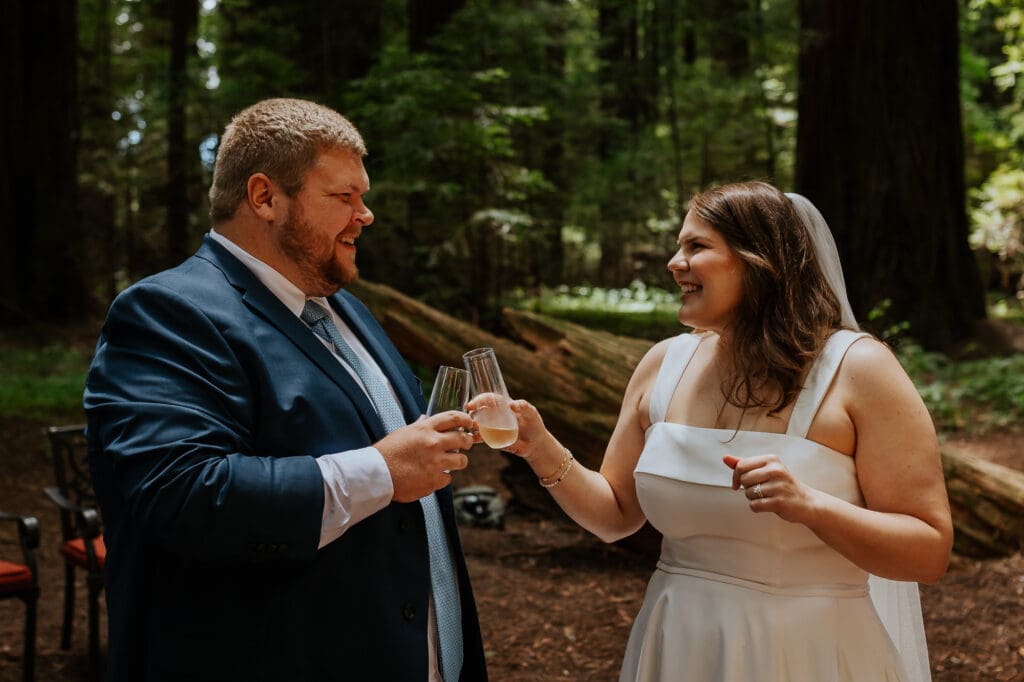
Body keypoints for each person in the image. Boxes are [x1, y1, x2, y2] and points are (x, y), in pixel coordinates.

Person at [84, 98, 488, 682]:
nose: (365, 214)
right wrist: (381, 470)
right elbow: (184, 494)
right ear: (265, 197)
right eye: (344, 196)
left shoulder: (348, 311)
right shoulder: (166, 312)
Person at [501, 181, 952, 681]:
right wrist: (539, 447)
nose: (675, 263)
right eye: (679, 246)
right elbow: (615, 515)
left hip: (810, 651)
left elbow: (928, 552)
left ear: (759, 261)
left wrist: (811, 506)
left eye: (696, 246)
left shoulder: (858, 368)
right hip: (678, 645)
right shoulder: (662, 365)